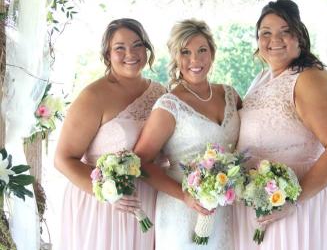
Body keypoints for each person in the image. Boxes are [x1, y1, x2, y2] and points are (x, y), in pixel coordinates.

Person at [233, 0, 327, 250]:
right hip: (263, 201)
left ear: (299, 36)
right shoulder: (263, 77)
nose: (274, 40)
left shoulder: (311, 79)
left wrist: (294, 201)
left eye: (284, 31)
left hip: (298, 206)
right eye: (265, 33)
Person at [54, 18, 166, 250]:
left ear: (147, 49)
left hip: (148, 201)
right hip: (103, 207)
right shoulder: (93, 96)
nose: (130, 53)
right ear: (107, 54)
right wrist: (108, 194)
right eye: (120, 48)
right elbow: (63, 159)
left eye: (137, 45)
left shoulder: (160, 93)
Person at [133, 19, 241, 250]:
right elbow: (140, 163)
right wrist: (185, 197)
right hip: (183, 210)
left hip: (229, 209)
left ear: (212, 52)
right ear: (175, 56)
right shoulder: (169, 106)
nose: (195, 60)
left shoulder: (231, 95)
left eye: (202, 50)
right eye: (185, 52)